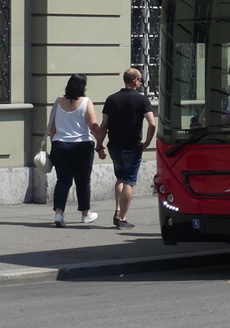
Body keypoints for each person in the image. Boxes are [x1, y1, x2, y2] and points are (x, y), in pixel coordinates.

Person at [96, 68, 157, 230]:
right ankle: (122, 218)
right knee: (129, 181)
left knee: (120, 179)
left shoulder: (111, 99)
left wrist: (99, 145)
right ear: (135, 80)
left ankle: (117, 210)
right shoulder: (142, 100)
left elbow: (103, 126)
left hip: (114, 146)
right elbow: (152, 123)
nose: (141, 82)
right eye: (141, 80)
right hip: (132, 146)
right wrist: (147, 142)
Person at [46, 73, 102, 227]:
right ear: (82, 87)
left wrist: (55, 144)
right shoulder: (86, 102)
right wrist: (100, 145)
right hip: (82, 146)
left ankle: (59, 214)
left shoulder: (58, 102)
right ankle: (85, 214)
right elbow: (93, 125)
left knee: (63, 181)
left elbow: (52, 128)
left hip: (60, 145)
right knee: (83, 181)